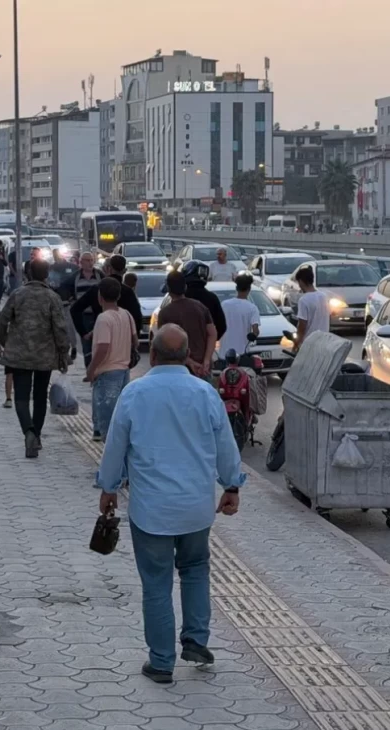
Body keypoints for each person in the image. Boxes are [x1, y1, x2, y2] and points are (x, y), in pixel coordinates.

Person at [96, 324, 244, 684]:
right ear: (187, 355)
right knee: (195, 569)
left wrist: (108, 487)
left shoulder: (134, 393)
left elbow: (115, 446)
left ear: (153, 354)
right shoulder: (205, 393)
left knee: (156, 583)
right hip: (196, 508)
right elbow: (226, 445)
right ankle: (196, 640)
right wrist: (231, 486)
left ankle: (162, 662)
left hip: (151, 510)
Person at [0, 259, 71, 458]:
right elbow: (61, 330)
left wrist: (6, 343)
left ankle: (28, 432)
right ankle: (36, 435)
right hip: (44, 358)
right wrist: (63, 354)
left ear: (28, 273)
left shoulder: (17, 294)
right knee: (39, 397)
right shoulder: (52, 297)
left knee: (21, 398)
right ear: (46, 274)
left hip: (19, 356)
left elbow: (0, 324)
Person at [84, 278, 136, 441]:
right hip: (124, 371)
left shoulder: (103, 318)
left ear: (100, 296)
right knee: (120, 416)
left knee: (108, 424)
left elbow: (103, 347)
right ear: (118, 296)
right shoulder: (126, 315)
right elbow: (135, 341)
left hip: (107, 373)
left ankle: (108, 448)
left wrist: (91, 369)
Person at [70, 254, 143, 366]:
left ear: (108, 269)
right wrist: (133, 339)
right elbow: (137, 318)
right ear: (124, 271)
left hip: (100, 337)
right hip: (122, 341)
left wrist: (84, 333)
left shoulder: (96, 289)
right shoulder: (128, 292)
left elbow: (75, 309)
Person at [156, 271, 216, 379]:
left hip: (179, 370)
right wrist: (207, 360)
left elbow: (164, 344)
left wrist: (190, 362)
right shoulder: (200, 307)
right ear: (185, 287)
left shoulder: (165, 313)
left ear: (168, 289)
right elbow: (212, 334)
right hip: (203, 369)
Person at [181, 261, 228, 344]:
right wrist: (209, 341)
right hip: (204, 347)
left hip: (181, 346)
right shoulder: (212, 298)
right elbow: (222, 327)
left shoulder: (179, 296)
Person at [219, 273, 261, 360]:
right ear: (249, 289)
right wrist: (254, 334)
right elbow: (255, 331)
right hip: (242, 355)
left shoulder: (224, 305)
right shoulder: (252, 308)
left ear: (236, 288)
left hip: (224, 354)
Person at [72, 252, 103, 364]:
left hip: (98, 316)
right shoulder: (75, 277)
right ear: (81, 262)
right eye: (87, 260)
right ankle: (89, 368)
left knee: (99, 345)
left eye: (91, 260)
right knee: (86, 347)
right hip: (84, 316)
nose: (90, 263)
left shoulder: (100, 275)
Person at [292, 264, 329, 353]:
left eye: (298, 283)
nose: (299, 286)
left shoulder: (304, 300)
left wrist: (296, 344)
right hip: (324, 342)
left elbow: (302, 325)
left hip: (309, 344)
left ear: (301, 281)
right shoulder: (324, 297)